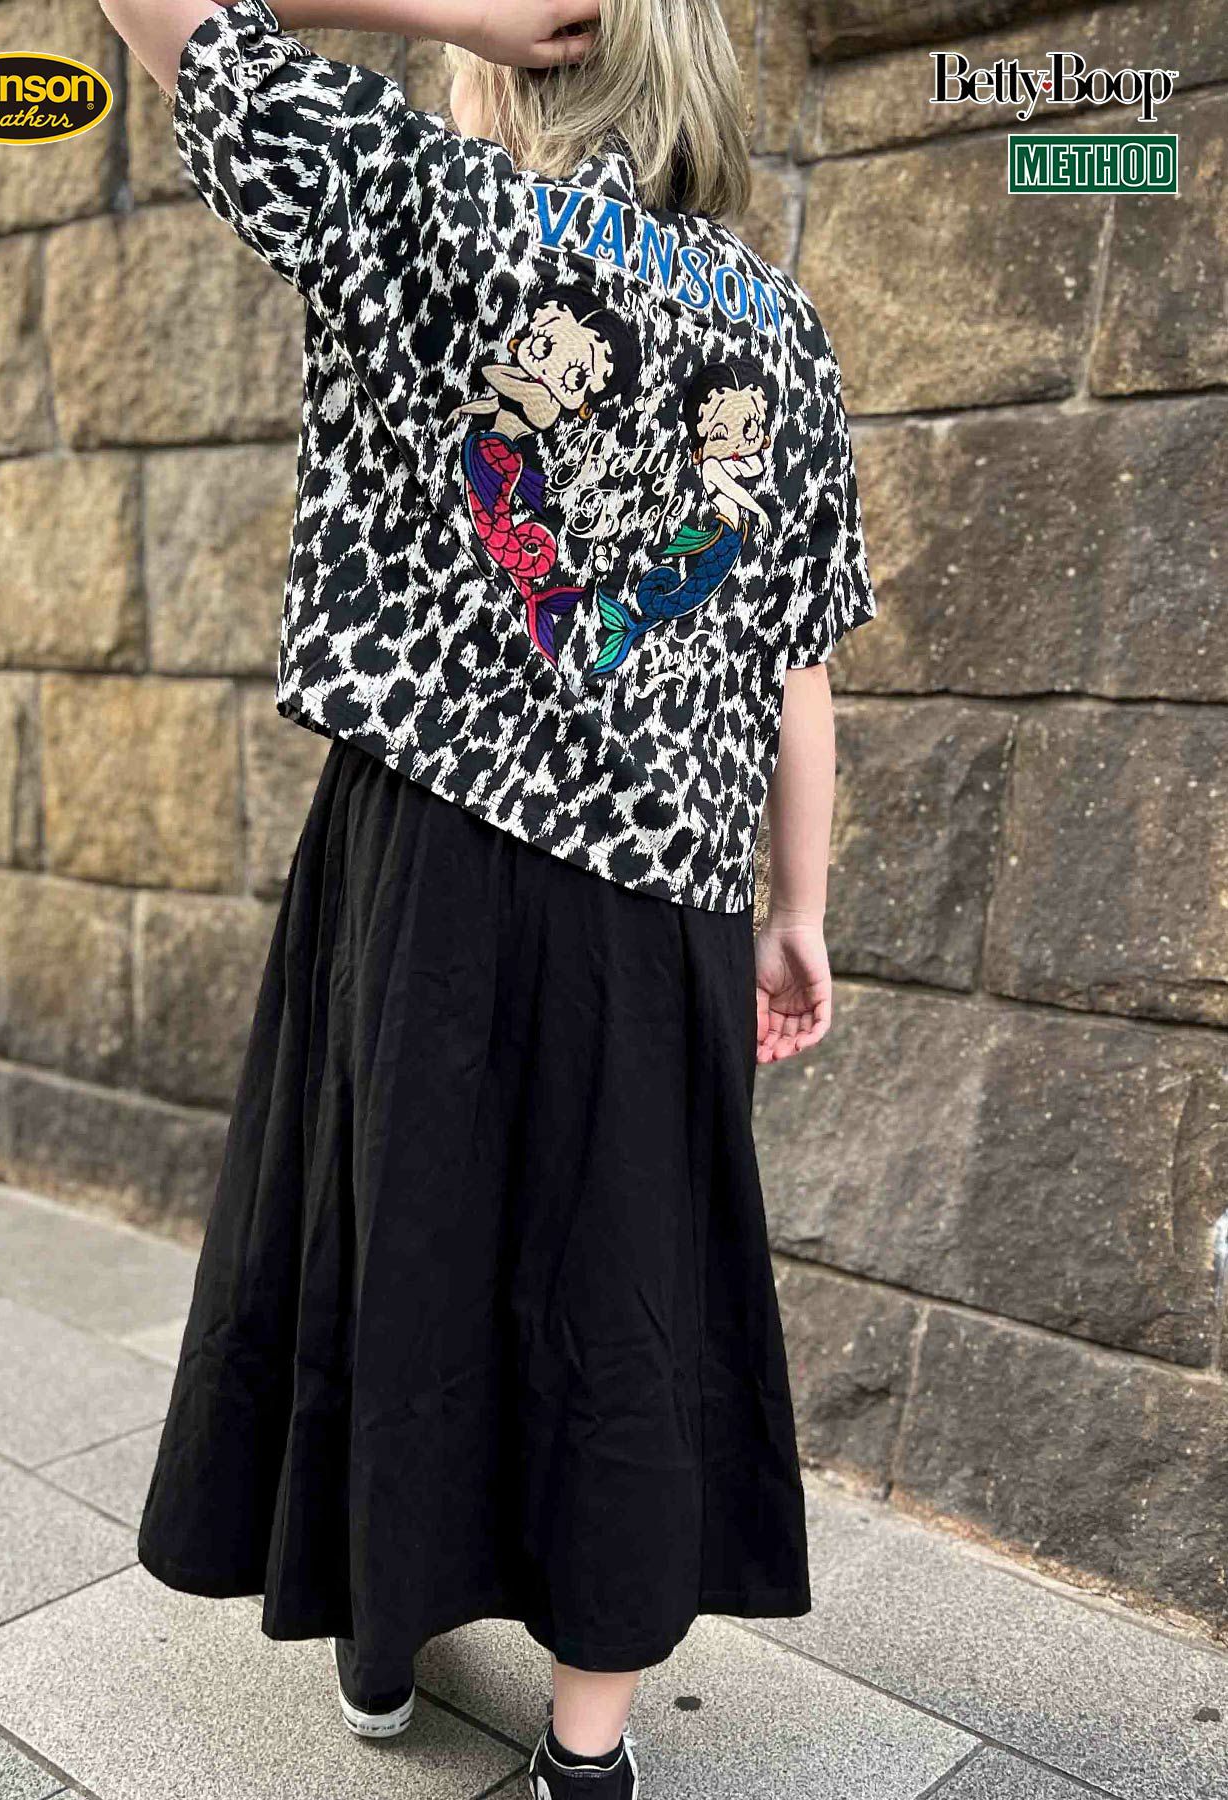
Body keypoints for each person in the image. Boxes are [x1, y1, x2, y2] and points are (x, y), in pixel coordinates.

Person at [100, 1, 877, 1795]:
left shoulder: (441, 210)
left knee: (406, 1236)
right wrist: (796, 906)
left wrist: (429, 8)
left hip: (432, 860)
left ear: (529, 51)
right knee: (625, 1290)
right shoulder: (778, 327)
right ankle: (588, 1752)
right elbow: (797, 657)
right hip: (665, 899)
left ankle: (386, 1634)